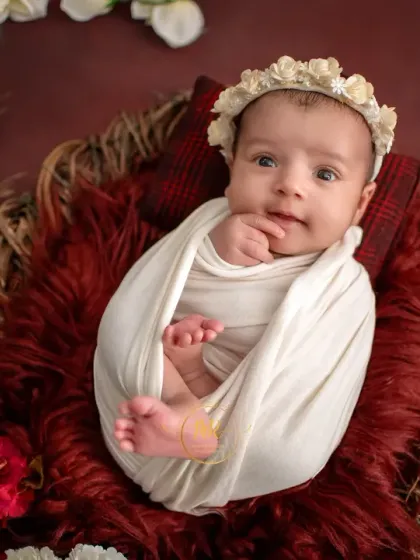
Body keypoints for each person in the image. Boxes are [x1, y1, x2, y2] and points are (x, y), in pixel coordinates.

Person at [93, 56, 397, 515]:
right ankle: (184, 411)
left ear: (361, 203)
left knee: (290, 452)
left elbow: (324, 374)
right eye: (266, 160)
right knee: (123, 334)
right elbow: (156, 286)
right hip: (169, 371)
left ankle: (199, 432)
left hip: (259, 408)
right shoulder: (210, 223)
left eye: (325, 174)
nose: (290, 185)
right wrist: (213, 253)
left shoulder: (345, 286)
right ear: (231, 168)